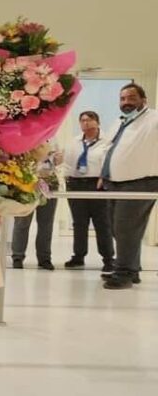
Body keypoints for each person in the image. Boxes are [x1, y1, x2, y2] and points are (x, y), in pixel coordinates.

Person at [100, 83, 158, 289]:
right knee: (119, 230)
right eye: (122, 98)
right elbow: (109, 148)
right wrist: (103, 174)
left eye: (132, 98)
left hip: (139, 182)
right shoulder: (119, 121)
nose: (126, 102)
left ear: (144, 100)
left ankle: (123, 273)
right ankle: (132, 269)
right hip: (113, 183)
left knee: (125, 229)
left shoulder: (153, 119)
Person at [60, 111, 114, 270]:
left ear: (97, 122)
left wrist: (105, 177)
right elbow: (67, 162)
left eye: (90, 120)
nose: (86, 123)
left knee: (102, 223)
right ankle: (78, 256)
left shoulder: (107, 142)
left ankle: (108, 258)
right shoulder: (74, 142)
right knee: (79, 223)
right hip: (76, 184)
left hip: (97, 184)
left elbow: (109, 162)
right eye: (83, 120)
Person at [10, 141, 62, 270]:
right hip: (27, 182)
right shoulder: (26, 139)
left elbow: (57, 160)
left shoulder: (53, 140)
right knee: (22, 221)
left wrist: (58, 159)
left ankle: (44, 258)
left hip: (49, 182)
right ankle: (17, 256)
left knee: (46, 223)